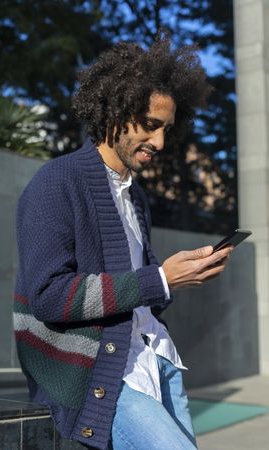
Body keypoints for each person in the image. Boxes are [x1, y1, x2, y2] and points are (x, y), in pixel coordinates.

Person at [14, 34, 233, 450]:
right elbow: (48, 295)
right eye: (150, 125)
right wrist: (160, 280)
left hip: (158, 360)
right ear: (113, 111)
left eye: (166, 129)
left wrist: (180, 276)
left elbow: (140, 293)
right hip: (102, 374)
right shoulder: (57, 182)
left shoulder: (135, 195)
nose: (160, 143)